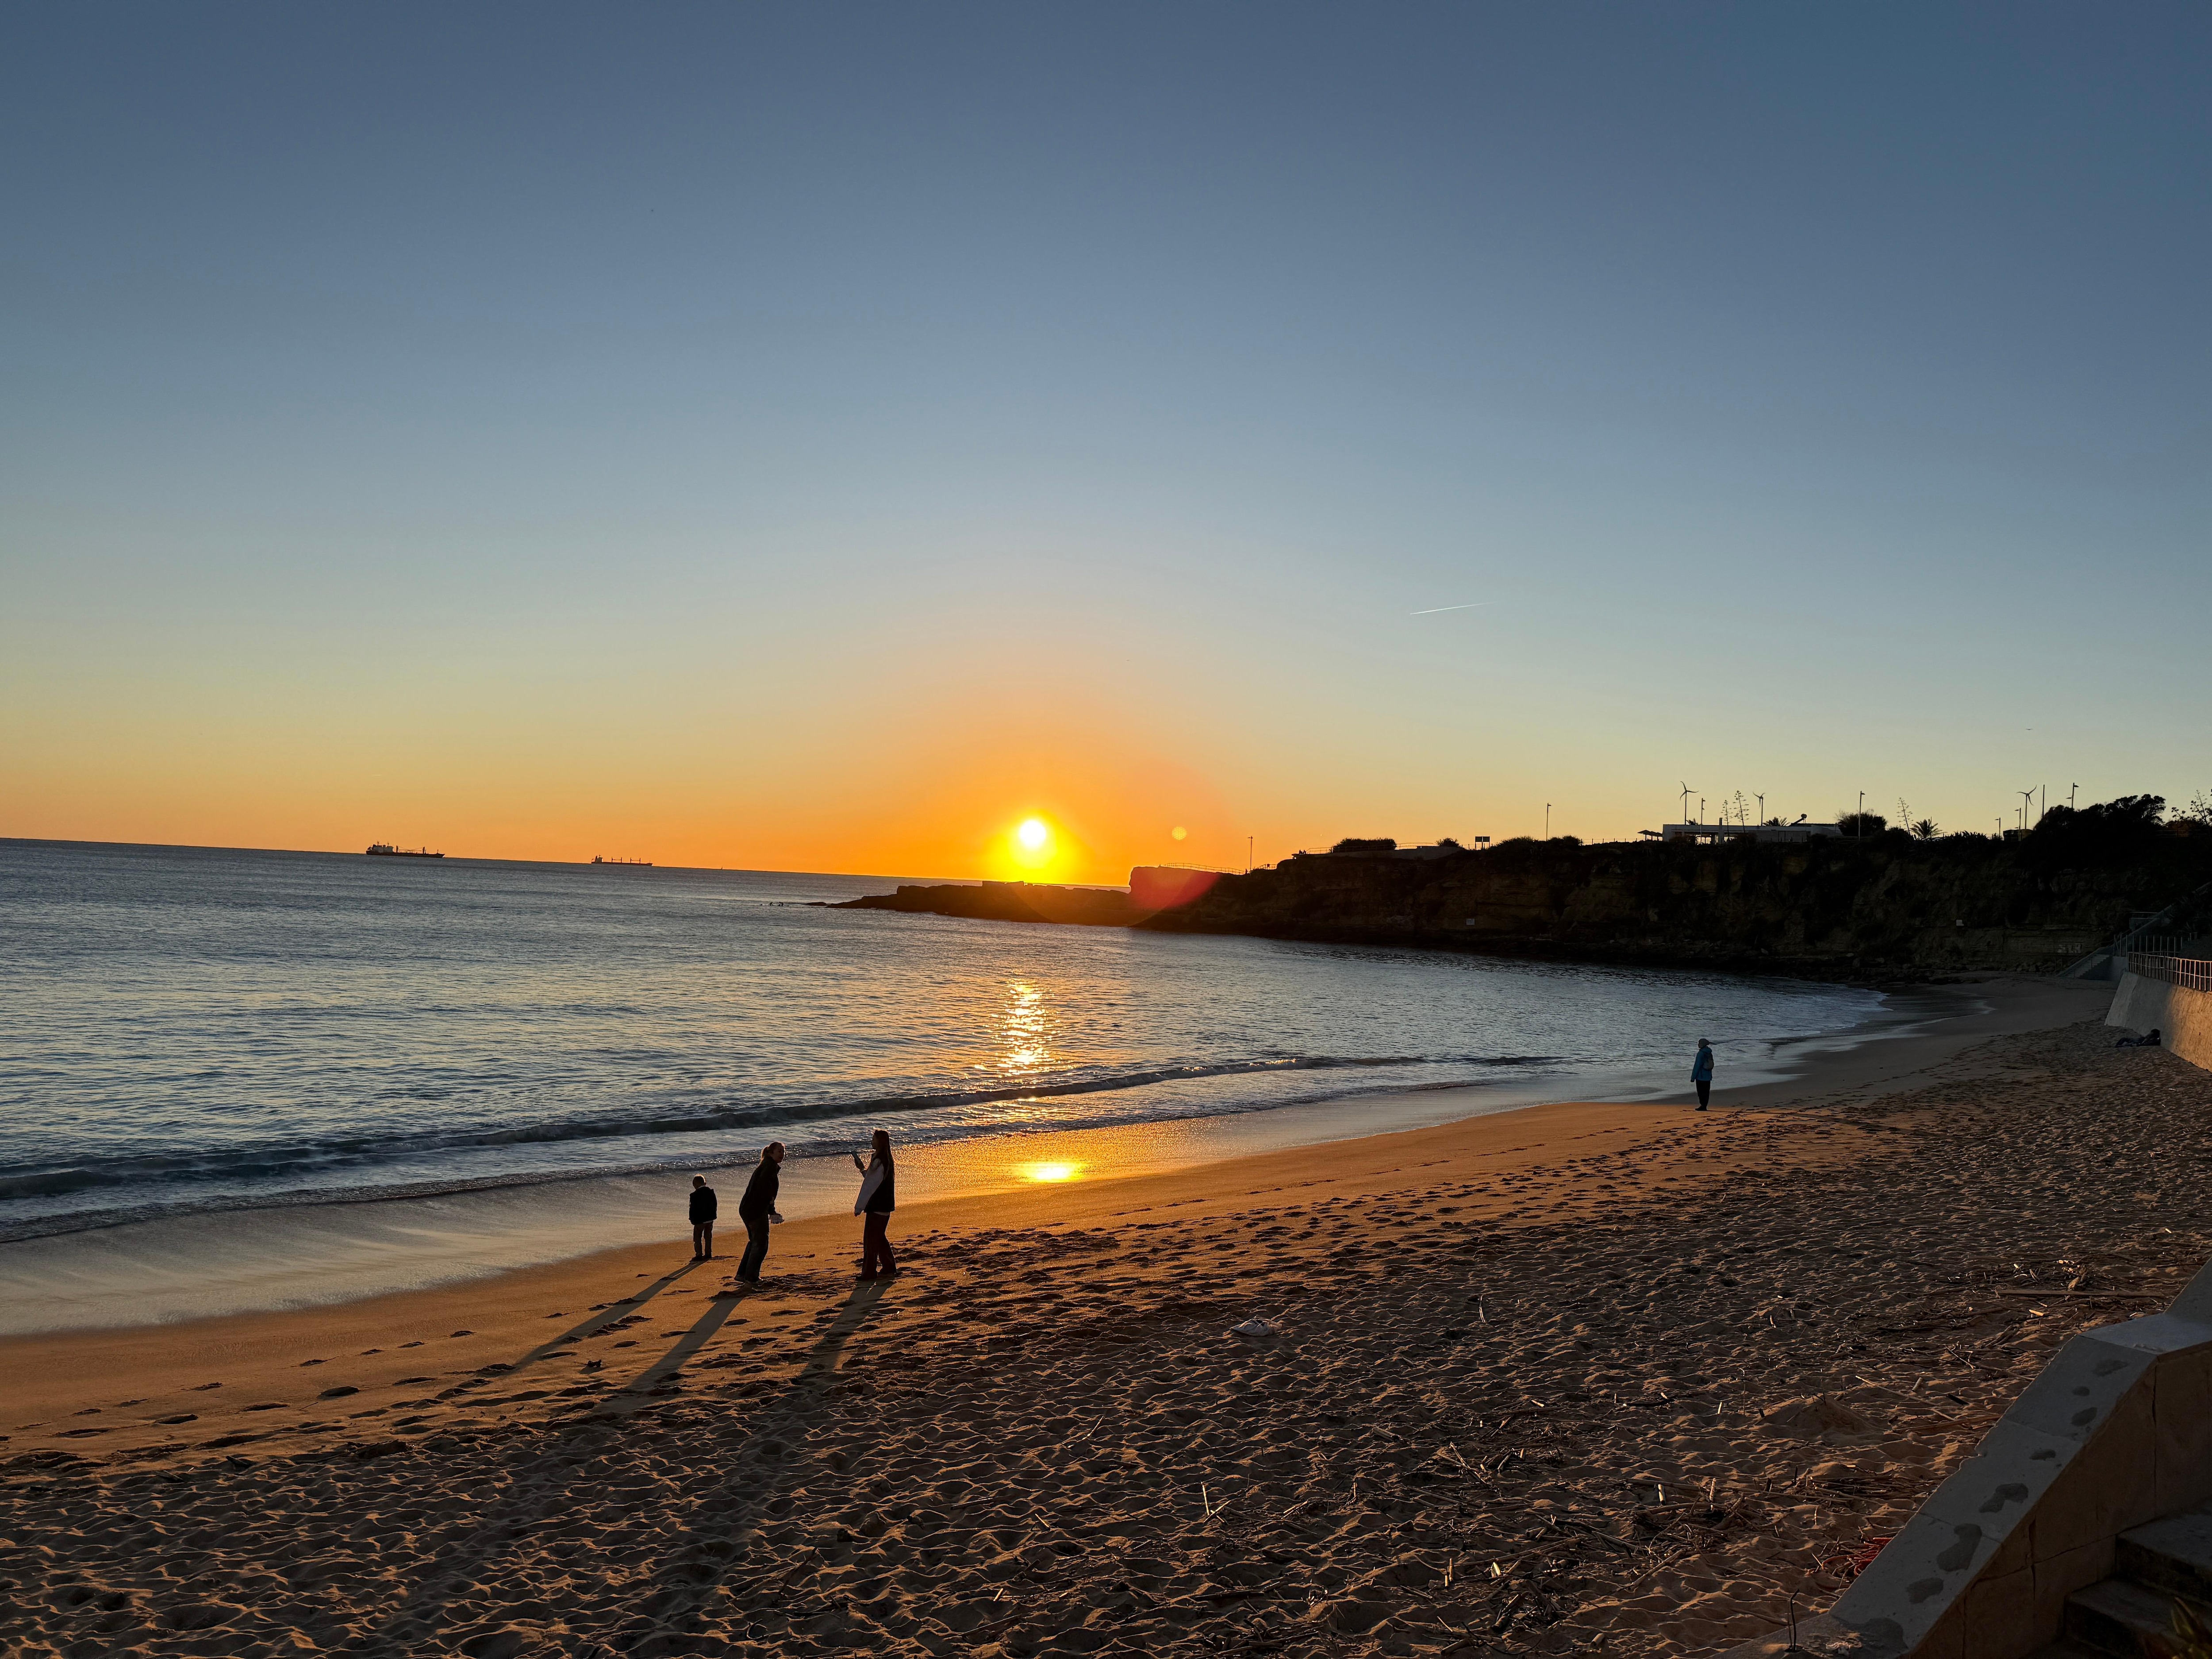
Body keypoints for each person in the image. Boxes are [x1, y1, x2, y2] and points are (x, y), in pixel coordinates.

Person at [733, 1143, 785, 1285]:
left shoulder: (767, 1166)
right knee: (761, 1244)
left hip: (747, 1208)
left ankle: (742, 1274)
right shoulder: (769, 1168)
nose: (782, 1154)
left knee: (755, 1242)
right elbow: (765, 1193)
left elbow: (764, 1192)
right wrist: (772, 1212)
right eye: (779, 1151)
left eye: (783, 1152)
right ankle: (751, 1277)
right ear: (771, 1153)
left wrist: (771, 1210)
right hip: (755, 1210)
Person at [852, 1129, 897, 1280]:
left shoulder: (879, 1161)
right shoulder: (886, 1159)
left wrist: (859, 1207)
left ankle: (869, 1273)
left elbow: (870, 1186)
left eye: (874, 1139)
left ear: (880, 1142)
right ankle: (889, 1267)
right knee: (879, 1238)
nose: (872, 1141)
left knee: (871, 1241)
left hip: (878, 1206)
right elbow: (873, 1180)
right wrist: (862, 1169)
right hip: (885, 1206)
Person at [688, 1174, 718, 1260]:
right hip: (710, 1219)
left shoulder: (694, 1196)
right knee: (708, 1237)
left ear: (695, 1185)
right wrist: (714, 1215)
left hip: (700, 1221)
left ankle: (699, 1254)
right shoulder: (711, 1193)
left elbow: (693, 1209)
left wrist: (692, 1220)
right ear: (705, 1183)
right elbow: (715, 1205)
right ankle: (708, 1253)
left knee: (697, 1238)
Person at [1691, 1039, 1715, 1110]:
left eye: (1699, 1043)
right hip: (1708, 1076)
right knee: (1706, 1092)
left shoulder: (1701, 1054)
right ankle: (1705, 1106)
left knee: (1701, 1092)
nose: (1698, 1044)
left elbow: (1697, 1066)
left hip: (1701, 1076)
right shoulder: (1709, 1053)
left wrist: (1693, 1077)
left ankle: (1703, 1106)